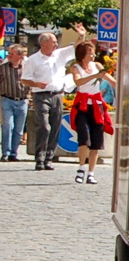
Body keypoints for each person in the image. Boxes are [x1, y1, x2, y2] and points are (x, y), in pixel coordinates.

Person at [21, 29, 77, 171]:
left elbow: (76, 47)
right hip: (41, 95)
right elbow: (24, 79)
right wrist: (36, 84)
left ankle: (49, 158)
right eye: (53, 42)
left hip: (57, 94)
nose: (56, 44)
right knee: (44, 126)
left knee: (55, 126)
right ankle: (40, 157)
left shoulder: (59, 55)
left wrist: (81, 35)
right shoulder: (33, 60)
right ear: (44, 43)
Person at [63, 41, 113, 185]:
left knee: (97, 141)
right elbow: (78, 82)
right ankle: (81, 168)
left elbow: (110, 80)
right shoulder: (76, 67)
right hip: (83, 105)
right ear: (82, 55)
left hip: (96, 105)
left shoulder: (97, 65)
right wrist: (95, 76)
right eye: (90, 53)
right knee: (83, 138)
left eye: (93, 52)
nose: (93, 55)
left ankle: (91, 172)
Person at [1, 43, 30, 162]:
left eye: (12, 54)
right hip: (7, 100)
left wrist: (29, 96)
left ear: (20, 56)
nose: (9, 56)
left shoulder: (26, 68)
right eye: (9, 53)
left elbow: (31, 81)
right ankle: (5, 153)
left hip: (22, 101)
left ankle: (14, 153)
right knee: (8, 126)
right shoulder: (3, 68)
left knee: (19, 129)